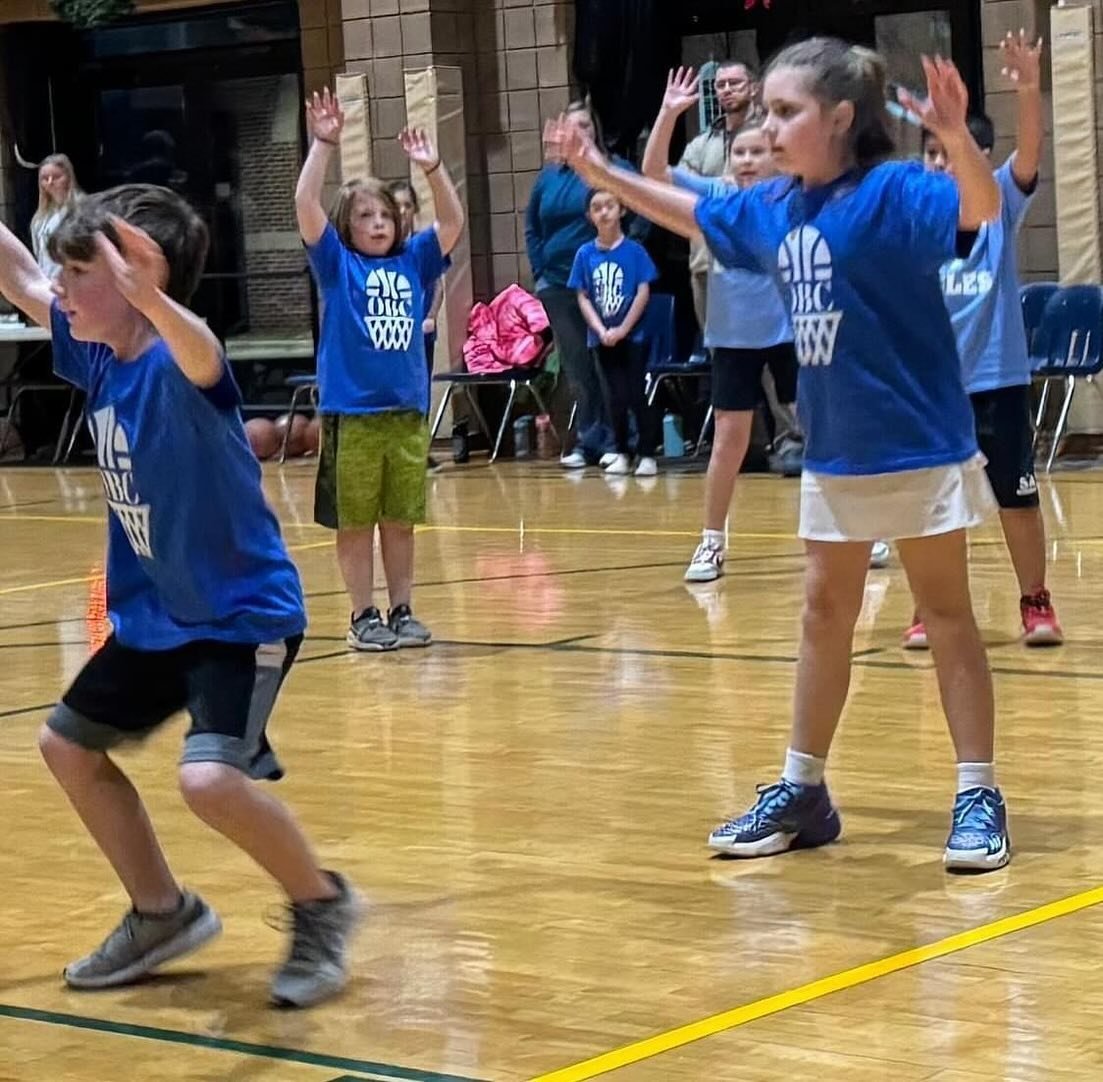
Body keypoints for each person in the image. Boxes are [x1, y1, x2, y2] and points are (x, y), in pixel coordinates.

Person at [546, 39, 1011, 872]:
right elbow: (688, 211)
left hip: (919, 444)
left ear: (839, 119)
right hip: (835, 455)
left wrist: (958, 135)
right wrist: (600, 171)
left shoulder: (897, 191)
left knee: (945, 617)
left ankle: (976, 792)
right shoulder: (775, 209)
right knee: (820, 615)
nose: (766, 124)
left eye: (785, 111)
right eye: (765, 109)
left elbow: (980, 210)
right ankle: (805, 788)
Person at [0, 184, 360, 1006]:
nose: (57, 290)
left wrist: (152, 298)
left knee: (208, 783)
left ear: (136, 281)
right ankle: (162, 911)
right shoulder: (97, 349)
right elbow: (17, 274)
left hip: (240, 618)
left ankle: (322, 903)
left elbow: (201, 350)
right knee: (66, 747)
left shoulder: (179, 360)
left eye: (79, 272)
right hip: (156, 616)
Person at [901, 31, 1060, 649]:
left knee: (1016, 501)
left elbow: (1029, 153)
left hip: (997, 377)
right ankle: (929, 607)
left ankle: (1035, 601)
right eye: (931, 153)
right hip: (934, 386)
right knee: (934, 504)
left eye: (948, 150)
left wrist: (1027, 86)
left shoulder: (997, 204)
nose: (939, 163)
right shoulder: (915, 214)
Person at [296, 89, 464, 651]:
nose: (377, 222)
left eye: (384, 214)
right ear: (347, 226)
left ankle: (402, 609)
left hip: (407, 412)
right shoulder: (337, 266)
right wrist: (323, 144)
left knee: (400, 520)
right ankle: (361, 615)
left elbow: (452, 220)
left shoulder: (415, 259)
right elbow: (305, 207)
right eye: (364, 215)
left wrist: (433, 168)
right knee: (355, 522)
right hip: (354, 414)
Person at [642, 67, 798, 581]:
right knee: (729, 441)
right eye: (740, 153)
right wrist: (668, 111)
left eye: (758, 152)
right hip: (733, 338)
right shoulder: (715, 195)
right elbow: (654, 172)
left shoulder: (792, 197)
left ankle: (865, 530)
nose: (748, 161)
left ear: (777, 156)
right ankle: (711, 542)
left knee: (822, 429)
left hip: (791, 334)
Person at [525, 101, 646, 469]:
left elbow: (644, 214)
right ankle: (589, 440)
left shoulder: (614, 171)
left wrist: (625, 259)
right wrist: (540, 268)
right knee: (577, 367)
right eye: (570, 126)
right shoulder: (548, 178)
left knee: (609, 365)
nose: (577, 132)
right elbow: (533, 226)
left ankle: (619, 441)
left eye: (584, 126)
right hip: (559, 285)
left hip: (607, 286)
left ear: (594, 132)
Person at [568, 188, 659, 476]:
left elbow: (643, 290)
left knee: (635, 392)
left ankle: (646, 453)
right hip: (602, 338)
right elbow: (582, 295)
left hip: (633, 336)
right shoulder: (585, 254)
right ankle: (620, 451)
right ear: (589, 216)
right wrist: (600, 329)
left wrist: (623, 328)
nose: (604, 211)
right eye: (597, 207)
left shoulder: (635, 251)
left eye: (610, 205)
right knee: (614, 396)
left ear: (621, 209)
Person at [677, 59, 757, 331]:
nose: (726, 90)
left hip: (758, 262)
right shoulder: (701, 143)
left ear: (753, 88)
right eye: (720, 85)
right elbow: (679, 191)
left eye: (734, 83)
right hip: (706, 263)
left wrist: (713, 187)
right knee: (722, 358)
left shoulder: (770, 135)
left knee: (770, 358)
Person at [389, 178, 448, 471]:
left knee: (419, 392)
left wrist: (431, 316)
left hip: (420, 334)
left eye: (407, 205)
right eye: (396, 205)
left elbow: (437, 285)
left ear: (415, 209)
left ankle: (419, 450)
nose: (402, 211)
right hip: (391, 336)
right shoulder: (380, 249)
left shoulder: (423, 246)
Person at [31, 153, 83, 279]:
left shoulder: (81, 208)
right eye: (45, 178)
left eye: (56, 177)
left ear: (68, 177)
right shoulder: (40, 218)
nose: (50, 182)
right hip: (48, 284)